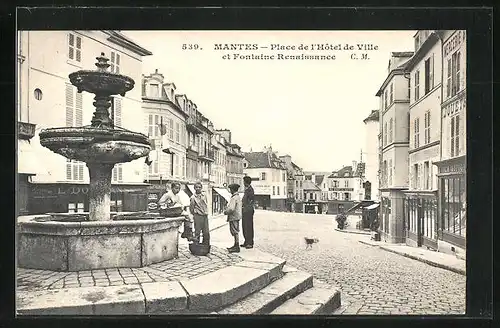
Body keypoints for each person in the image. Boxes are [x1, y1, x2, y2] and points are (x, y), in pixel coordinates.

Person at [189, 181, 210, 245]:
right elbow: (191, 208)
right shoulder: (193, 197)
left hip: (205, 216)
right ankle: (196, 245)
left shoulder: (204, 195)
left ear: (201, 188)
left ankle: (206, 245)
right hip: (198, 216)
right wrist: (195, 214)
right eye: (196, 187)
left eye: (199, 187)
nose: (198, 188)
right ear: (194, 188)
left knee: (206, 232)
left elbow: (206, 204)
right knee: (197, 231)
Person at [224, 183, 242, 253]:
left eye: (230, 189)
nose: (230, 190)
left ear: (232, 189)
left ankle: (236, 246)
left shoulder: (234, 198)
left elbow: (231, 209)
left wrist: (226, 212)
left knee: (235, 231)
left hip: (233, 216)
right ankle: (235, 245)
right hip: (237, 216)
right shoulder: (238, 197)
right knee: (235, 231)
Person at [241, 176, 255, 249]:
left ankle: (250, 242)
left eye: (244, 181)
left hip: (248, 211)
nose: (243, 183)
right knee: (245, 226)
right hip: (245, 210)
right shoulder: (247, 189)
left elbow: (250, 201)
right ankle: (246, 241)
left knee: (248, 226)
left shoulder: (250, 190)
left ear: (246, 182)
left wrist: (245, 207)